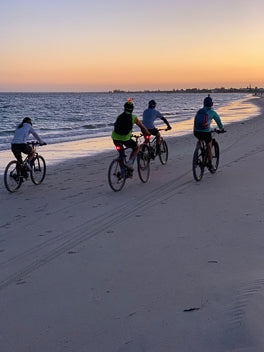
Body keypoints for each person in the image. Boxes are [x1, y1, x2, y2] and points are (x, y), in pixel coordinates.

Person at [112, 99, 149, 172]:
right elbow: (142, 127)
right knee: (136, 147)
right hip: (125, 139)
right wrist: (147, 133)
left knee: (121, 152)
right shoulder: (134, 118)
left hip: (115, 138)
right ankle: (130, 163)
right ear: (132, 109)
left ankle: (122, 169)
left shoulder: (119, 116)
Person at [193, 95, 225, 172]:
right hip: (206, 132)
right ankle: (210, 165)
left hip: (196, 131)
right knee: (209, 146)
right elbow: (218, 121)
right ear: (211, 104)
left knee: (200, 139)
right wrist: (222, 129)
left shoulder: (199, 111)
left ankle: (198, 149)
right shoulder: (212, 112)